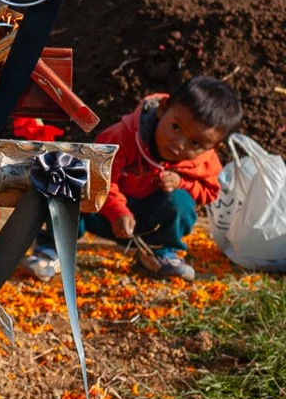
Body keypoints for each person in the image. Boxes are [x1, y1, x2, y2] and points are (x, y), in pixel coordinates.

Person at [27, 76, 236, 283]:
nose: (180, 144)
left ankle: (158, 254)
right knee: (74, 183)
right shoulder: (121, 136)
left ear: (212, 147)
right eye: (175, 127)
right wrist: (117, 210)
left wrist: (182, 183)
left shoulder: (205, 161)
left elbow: (210, 192)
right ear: (163, 109)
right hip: (101, 213)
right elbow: (100, 178)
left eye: (196, 143)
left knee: (180, 202)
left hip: (146, 223)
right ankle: (52, 250)